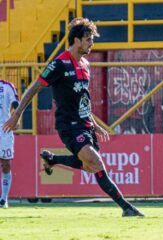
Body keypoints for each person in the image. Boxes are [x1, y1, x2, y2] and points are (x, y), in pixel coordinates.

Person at [2, 18, 144, 217]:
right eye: (88, 39)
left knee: (88, 165)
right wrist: (17, 115)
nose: (91, 43)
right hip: (68, 126)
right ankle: (127, 208)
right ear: (76, 40)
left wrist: (94, 125)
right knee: (95, 163)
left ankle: (52, 160)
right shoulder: (59, 63)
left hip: (85, 125)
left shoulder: (85, 64)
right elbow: (34, 87)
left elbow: (82, 100)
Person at [0, 79, 19, 208]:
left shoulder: (7, 86)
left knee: (6, 164)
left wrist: (16, 119)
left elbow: (16, 104)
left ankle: (4, 199)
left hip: (4, 128)